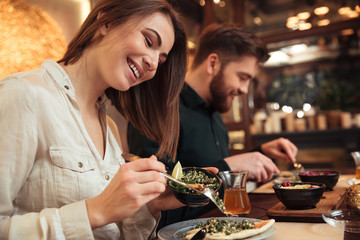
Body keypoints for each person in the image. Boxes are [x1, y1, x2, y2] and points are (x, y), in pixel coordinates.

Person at [0, 0, 190, 239]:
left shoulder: (108, 128)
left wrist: (149, 205)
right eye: (148, 41)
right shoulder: (22, 95)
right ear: (106, 22)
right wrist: (94, 211)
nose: (153, 63)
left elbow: (111, 231)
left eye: (160, 60)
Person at [127, 23, 298, 228]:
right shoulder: (159, 110)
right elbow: (153, 210)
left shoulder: (215, 115)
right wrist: (231, 167)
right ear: (213, 63)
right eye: (242, 77)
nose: (244, 89)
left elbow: (213, 167)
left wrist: (259, 153)